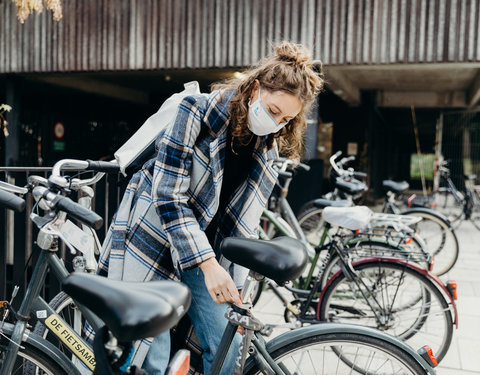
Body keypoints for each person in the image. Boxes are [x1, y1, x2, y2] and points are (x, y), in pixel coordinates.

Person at [95, 41, 324, 375]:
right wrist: (207, 264)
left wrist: (232, 279)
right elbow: (168, 196)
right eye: (274, 111)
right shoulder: (195, 110)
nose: (277, 123)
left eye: (286, 119)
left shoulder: (266, 143)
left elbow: (243, 220)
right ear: (255, 87)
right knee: (152, 358)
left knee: (226, 350)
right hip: (156, 240)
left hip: (207, 253)